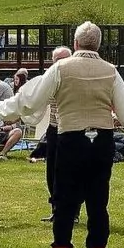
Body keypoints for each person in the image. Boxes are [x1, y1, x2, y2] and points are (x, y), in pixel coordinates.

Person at [0, 21, 124, 248]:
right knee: (98, 202)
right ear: (99, 45)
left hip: (70, 138)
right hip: (101, 140)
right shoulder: (110, 71)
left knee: (65, 201)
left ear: (75, 44)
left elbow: (29, 100)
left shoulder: (61, 68)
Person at [40, 46, 72, 221]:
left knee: (71, 171)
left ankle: (72, 210)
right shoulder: (49, 79)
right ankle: (55, 208)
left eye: (64, 60)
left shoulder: (77, 79)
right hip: (54, 128)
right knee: (51, 170)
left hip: (72, 129)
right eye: (57, 60)